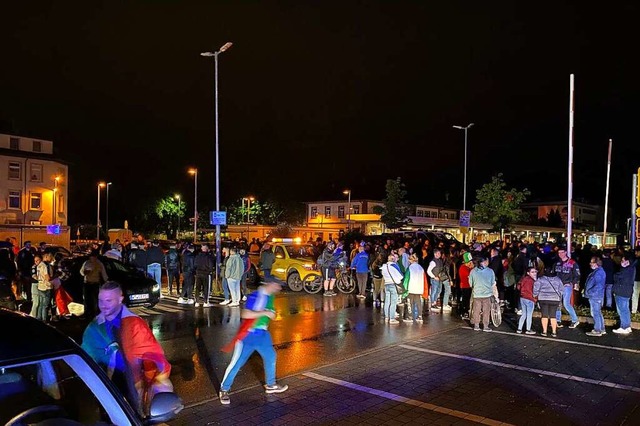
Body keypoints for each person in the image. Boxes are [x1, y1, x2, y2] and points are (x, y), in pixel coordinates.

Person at [81, 281, 175, 416]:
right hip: (109, 394)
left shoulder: (135, 325)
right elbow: (85, 361)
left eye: (108, 300)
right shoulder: (94, 328)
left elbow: (154, 355)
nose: (103, 305)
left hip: (136, 391)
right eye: (101, 300)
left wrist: (154, 382)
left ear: (120, 299)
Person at [218, 279, 288, 405]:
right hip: (248, 335)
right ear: (269, 284)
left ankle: (271, 385)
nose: (279, 288)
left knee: (271, 356)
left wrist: (271, 314)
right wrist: (265, 312)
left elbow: (270, 314)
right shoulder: (256, 296)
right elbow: (245, 314)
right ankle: (224, 389)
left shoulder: (270, 297)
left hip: (263, 334)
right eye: (277, 285)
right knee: (237, 363)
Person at [468, 255, 497, 332]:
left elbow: (470, 284)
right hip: (487, 294)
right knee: (486, 311)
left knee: (476, 310)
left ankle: (476, 325)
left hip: (476, 294)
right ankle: (485, 326)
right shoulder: (490, 271)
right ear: (483, 262)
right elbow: (492, 283)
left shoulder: (473, 271)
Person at [554, 247, 580, 329]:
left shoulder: (572, 263)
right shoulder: (557, 262)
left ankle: (575, 320)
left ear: (565, 252)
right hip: (557, 285)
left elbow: (577, 275)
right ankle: (557, 320)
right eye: (559, 253)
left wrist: (572, 283)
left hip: (566, 286)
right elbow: (553, 273)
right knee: (557, 303)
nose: (560, 254)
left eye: (562, 252)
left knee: (566, 304)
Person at [533, 268, 564, 337]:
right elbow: (561, 290)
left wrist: (535, 295)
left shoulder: (541, 279)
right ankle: (554, 332)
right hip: (555, 299)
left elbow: (536, 289)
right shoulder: (558, 279)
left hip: (543, 299)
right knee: (553, 316)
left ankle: (544, 331)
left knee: (544, 315)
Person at [80, 251, 108, 318]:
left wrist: (106, 281)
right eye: (91, 257)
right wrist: (85, 272)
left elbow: (104, 274)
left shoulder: (99, 264)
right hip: (87, 283)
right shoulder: (86, 263)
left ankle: (95, 313)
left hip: (95, 283)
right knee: (87, 299)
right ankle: (87, 313)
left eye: (93, 257)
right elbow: (81, 272)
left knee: (95, 299)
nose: (92, 258)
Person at [612, 253, 635, 334]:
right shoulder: (632, 269)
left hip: (621, 292)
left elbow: (617, 277)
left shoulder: (625, 270)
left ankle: (624, 326)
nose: (621, 262)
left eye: (623, 260)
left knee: (622, 310)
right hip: (626, 292)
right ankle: (627, 326)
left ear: (627, 262)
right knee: (625, 310)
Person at [584, 255, 606, 337]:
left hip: (595, 296)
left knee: (595, 313)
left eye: (591, 262)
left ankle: (597, 330)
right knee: (598, 312)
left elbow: (599, 286)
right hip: (596, 295)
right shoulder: (598, 271)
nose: (590, 264)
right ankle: (601, 328)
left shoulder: (598, 273)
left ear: (596, 263)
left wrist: (590, 292)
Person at [380, 254, 403, 325]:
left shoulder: (384, 267)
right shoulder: (394, 266)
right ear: (393, 259)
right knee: (393, 302)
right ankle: (392, 318)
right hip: (393, 285)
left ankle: (387, 317)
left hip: (386, 284)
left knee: (387, 301)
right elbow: (400, 276)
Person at [404, 254, 427, 323]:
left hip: (411, 288)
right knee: (418, 302)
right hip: (419, 288)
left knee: (409, 302)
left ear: (410, 260)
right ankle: (420, 316)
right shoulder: (421, 268)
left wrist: (404, 289)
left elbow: (406, 279)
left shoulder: (410, 268)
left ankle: (409, 317)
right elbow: (424, 279)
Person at [30, 253, 52, 321]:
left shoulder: (38, 266)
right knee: (44, 305)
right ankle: (44, 320)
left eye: (37, 260)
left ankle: (39, 318)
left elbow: (35, 276)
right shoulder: (44, 266)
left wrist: (39, 279)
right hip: (45, 286)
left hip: (40, 286)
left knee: (40, 305)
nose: (36, 262)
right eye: (35, 260)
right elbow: (47, 277)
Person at [516, 267, 538, 335]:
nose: (534, 273)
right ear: (528, 273)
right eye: (532, 272)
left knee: (524, 314)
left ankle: (519, 328)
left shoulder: (523, 279)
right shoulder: (532, 281)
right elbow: (534, 290)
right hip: (529, 298)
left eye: (535, 271)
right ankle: (528, 329)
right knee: (529, 314)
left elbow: (518, 287)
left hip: (522, 297)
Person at [458, 252, 474, 319]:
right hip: (465, 286)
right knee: (465, 300)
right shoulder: (463, 267)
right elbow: (469, 275)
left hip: (470, 286)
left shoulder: (469, 268)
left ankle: (467, 311)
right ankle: (463, 312)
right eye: (469, 262)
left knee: (469, 299)